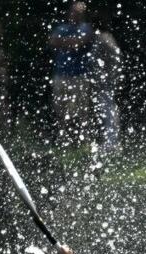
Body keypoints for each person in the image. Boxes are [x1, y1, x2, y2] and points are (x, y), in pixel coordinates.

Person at [49, 1, 95, 149]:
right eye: (74, 12)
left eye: (79, 12)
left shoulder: (86, 28)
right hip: (61, 74)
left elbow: (80, 41)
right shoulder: (62, 27)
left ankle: (84, 140)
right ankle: (64, 139)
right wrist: (72, 42)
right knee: (60, 108)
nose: (75, 14)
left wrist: (65, 42)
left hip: (79, 75)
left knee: (82, 110)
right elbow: (53, 41)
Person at [90, 20, 122, 153]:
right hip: (104, 80)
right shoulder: (105, 38)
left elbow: (113, 58)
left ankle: (111, 143)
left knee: (107, 111)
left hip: (105, 81)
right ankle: (110, 141)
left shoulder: (104, 38)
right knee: (106, 110)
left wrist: (106, 75)